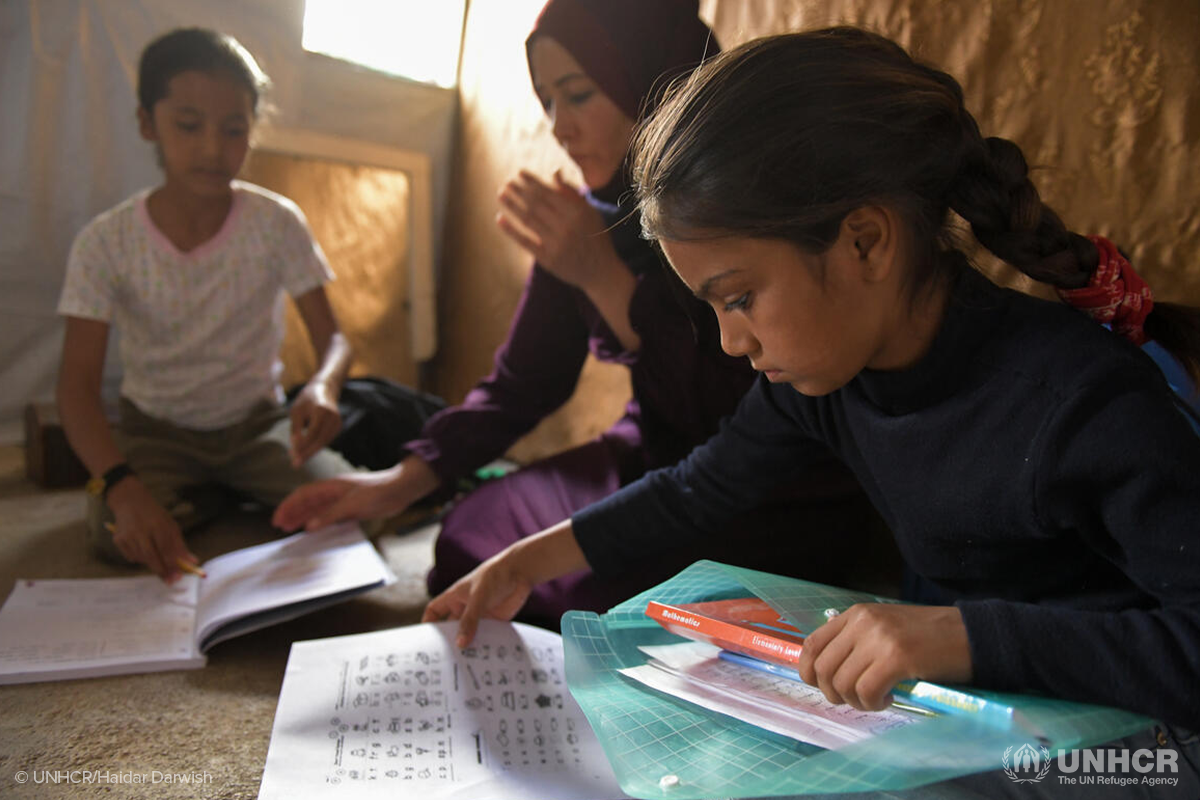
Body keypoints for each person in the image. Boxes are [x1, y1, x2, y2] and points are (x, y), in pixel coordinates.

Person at [423, 27, 1200, 795]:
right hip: (977, 705)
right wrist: (522, 562)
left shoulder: (1078, 403)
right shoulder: (823, 384)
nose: (731, 341)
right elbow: (696, 489)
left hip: (1134, 733)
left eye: (740, 298)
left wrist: (965, 635)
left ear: (865, 242)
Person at [274, 1, 891, 627]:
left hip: (769, 486)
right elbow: (519, 385)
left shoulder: (749, 208)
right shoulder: (584, 217)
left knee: (593, 606)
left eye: (577, 95)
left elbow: (746, 411)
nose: (559, 127)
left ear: (655, 82)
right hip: (652, 452)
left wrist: (600, 277)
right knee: (470, 535)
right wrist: (394, 484)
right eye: (546, 103)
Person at [57, 28, 356, 583]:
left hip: (258, 425)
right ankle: (212, 494)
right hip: (155, 431)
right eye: (188, 126)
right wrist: (122, 487)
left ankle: (214, 494)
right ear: (148, 123)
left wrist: (322, 387)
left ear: (252, 132)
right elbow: (75, 388)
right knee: (115, 537)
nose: (213, 149)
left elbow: (334, 338)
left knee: (349, 510)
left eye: (234, 129)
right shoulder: (106, 241)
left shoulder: (276, 223)